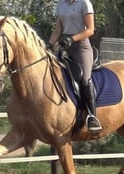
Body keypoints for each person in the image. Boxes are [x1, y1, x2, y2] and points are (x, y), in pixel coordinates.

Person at [47, 0, 102, 133]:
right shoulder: (61, 5)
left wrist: (72, 39)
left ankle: (91, 116)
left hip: (81, 47)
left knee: (84, 79)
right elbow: (58, 30)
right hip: (64, 46)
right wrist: (49, 45)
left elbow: (90, 30)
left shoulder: (84, 3)